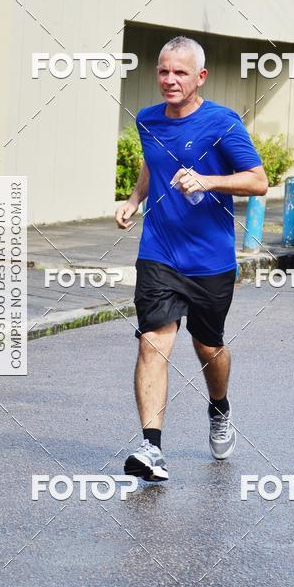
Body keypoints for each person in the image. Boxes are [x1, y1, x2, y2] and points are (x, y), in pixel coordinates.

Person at [115, 36, 268, 482]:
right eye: (163, 71)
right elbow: (152, 163)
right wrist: (134, 199)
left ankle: (219, 407)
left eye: (180, 72)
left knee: (208, 347)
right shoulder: (148, 120)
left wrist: (207, 181)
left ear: (200, 77)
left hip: (210, 261)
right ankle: (151, 448)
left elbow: (257, 181)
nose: (169, 80)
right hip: (159, 252)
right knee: (153, 341)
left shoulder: (222, 122)